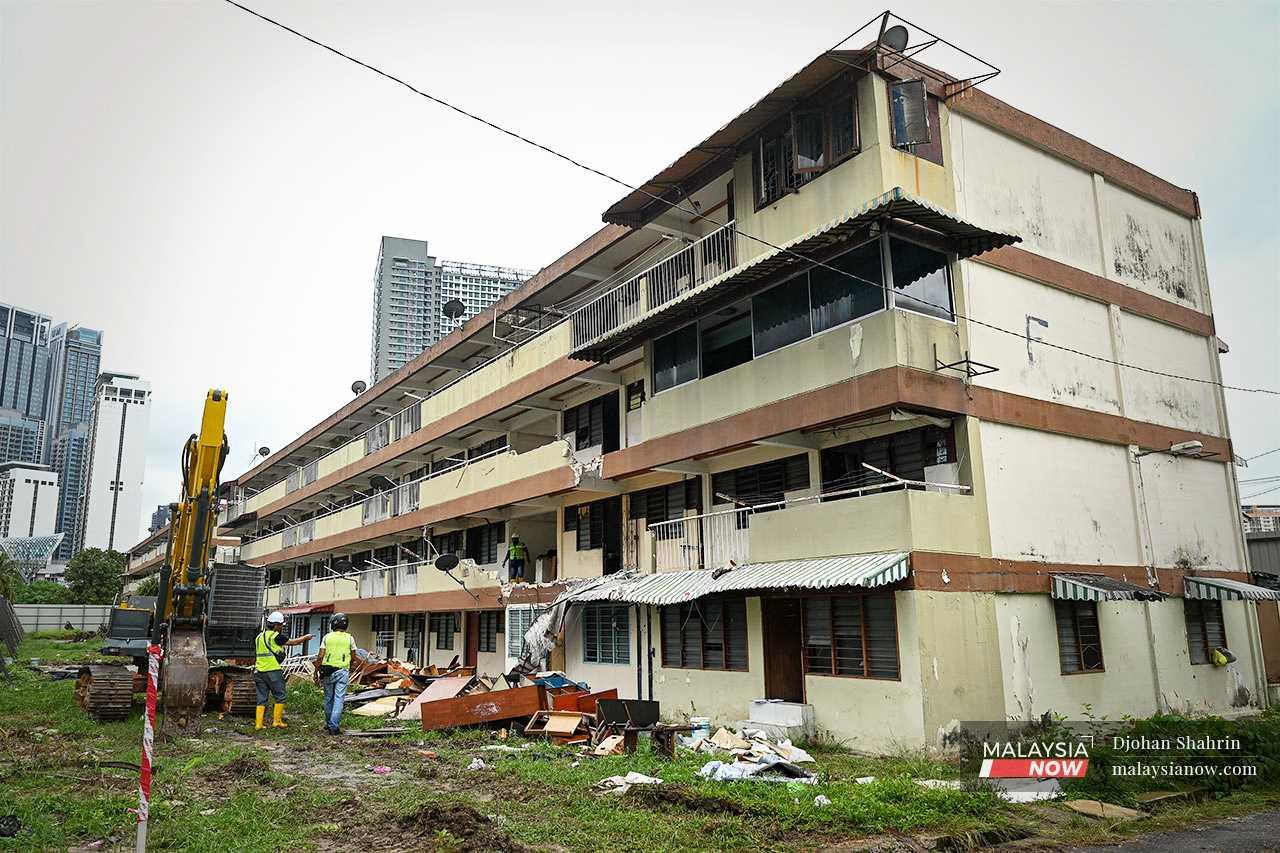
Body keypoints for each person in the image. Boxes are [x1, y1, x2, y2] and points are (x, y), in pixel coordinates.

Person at [254, 611, 313, 731]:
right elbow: (293, 642)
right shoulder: (276, 636)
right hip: (273, 670)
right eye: (281, 625)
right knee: (280, 696)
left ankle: (258, 724)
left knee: (261, 698)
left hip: (259, 671)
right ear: (275, 625)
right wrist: (306, 638)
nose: (282, 627)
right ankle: (277, 721)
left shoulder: (259, 637)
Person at [315, 612, 355, 736]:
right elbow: (354, 655)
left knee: (328, 698)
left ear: (333, 624)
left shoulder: (327, 637)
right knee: (339, 699)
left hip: (327, 671)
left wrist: (316, 670)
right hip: (342, 671)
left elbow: (321, 655)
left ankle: (328, 723)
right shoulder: (350, 638)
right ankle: (334, 726)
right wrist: (350, 664)